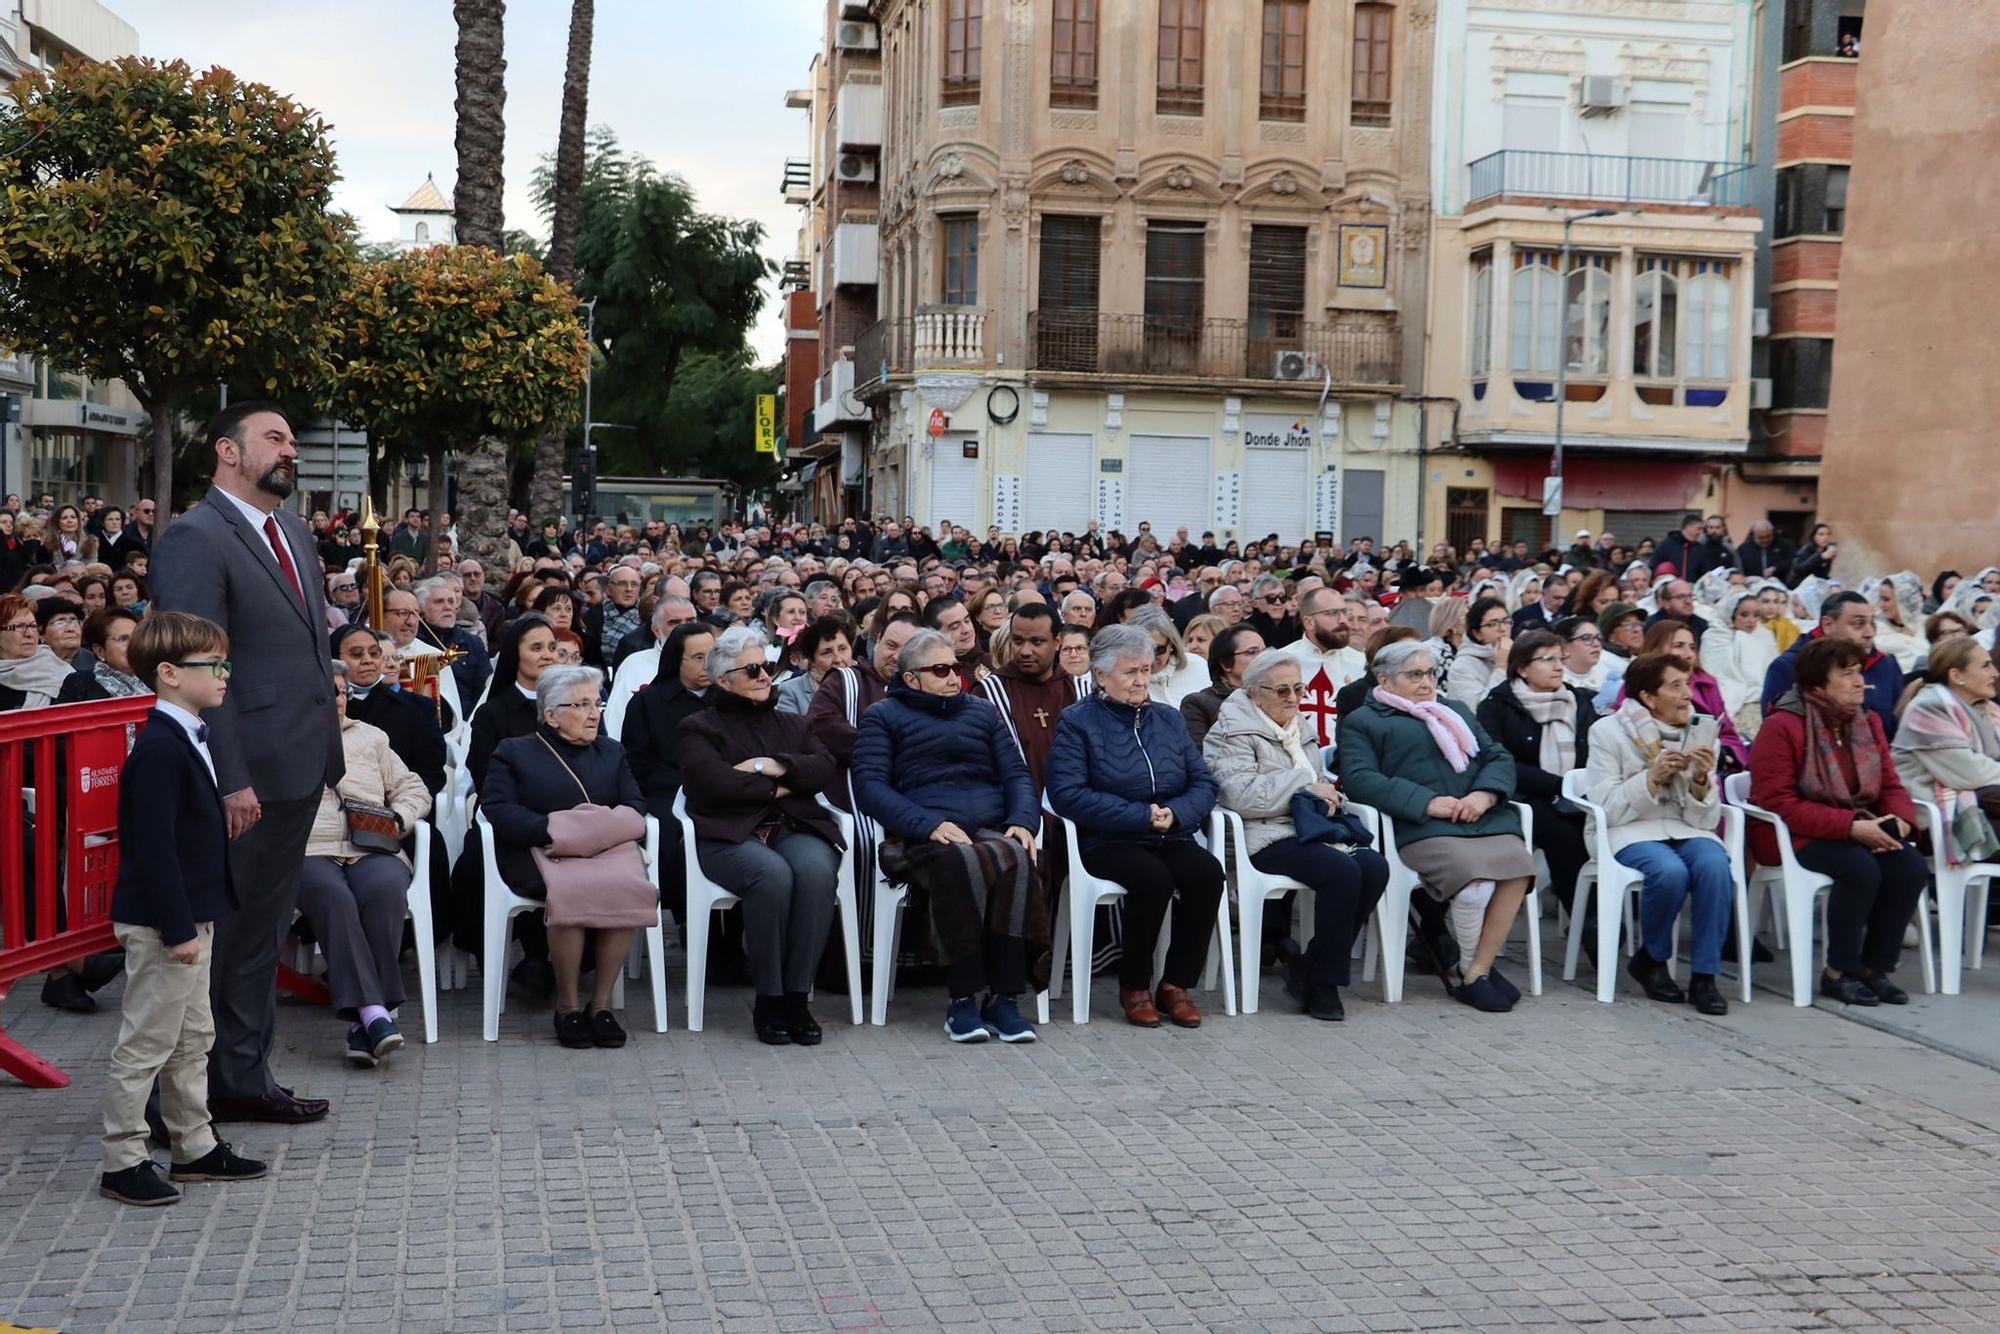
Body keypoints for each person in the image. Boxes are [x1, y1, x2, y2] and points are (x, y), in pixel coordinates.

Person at [150, 401, 343, 1126]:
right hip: (243, 775)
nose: (289, 449)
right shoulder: (196, 539)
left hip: (298, 763)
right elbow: (197, 663)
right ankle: (174, 1100)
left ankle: (241, 1077)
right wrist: (230, 776)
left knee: (260, 935)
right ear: (228, 452)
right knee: (219, 940)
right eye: (275, 438)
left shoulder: (292, 530)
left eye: (292, 439)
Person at [98, 612, 267, 1207]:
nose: (225, 675)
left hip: (193, 914)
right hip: (165, 921)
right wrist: (175, 929)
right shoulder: (160, 750)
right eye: (213, 666)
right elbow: (153, 850)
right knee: (148, 1040)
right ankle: (123, 1158)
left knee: (194, 1035)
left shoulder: (189, 734)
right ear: (168, 674)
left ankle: (193, 1144)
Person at [852, 629, 1045, 1043]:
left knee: (1015, 856)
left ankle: (1004, 998)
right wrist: (926, 824)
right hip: (921, 834)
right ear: (911, 679)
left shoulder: (983, 712)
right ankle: (962, 999)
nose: (953, 676)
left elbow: (1016, 774)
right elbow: (870, 786)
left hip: (988, 825)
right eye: (940, 670)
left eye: (956, 667)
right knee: (961, 861)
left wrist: (1025, 821)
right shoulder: (882, 716)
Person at [1337, 638, 1535, 1013]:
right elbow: (1360, 778)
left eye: (1430, 673)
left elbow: (1496, 756)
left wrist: (1485, 796)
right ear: (1384, 679)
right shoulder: (1364, 721)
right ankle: (1473, 970)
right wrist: (1427, 803)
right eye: (1415, 675)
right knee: (1473, 883)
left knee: (1518, 866)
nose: (1427, 683)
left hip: (1479, 817)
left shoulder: (1454, 709)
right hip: (1420, 826)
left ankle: (1476, 969)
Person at [1047, 624, 1225, 1029]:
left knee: (1206, 873)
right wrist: (1141, 815)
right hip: (1108, 838)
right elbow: (1068, 794)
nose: (1142, 680)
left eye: (1146, 669)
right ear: (1101, 674)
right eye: (1131, 672)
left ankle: (1176, 984)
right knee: (1153, 880)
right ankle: (1134, 986)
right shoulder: (1077, 723)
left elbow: (1203, 782)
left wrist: (1175, 813)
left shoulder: (1167, 718)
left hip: (1168, 831)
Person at [678, 627, 846, 1045]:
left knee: (816, 872)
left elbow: (824, 767)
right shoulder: (697, 728)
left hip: (793, 826)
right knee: (772, 876)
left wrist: (768, 765)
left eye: (767, 667)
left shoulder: (791, 722)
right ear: (722, 680)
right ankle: (769, 998)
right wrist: (783, 782)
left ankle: (797, 997)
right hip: (728, 836)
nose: (764, 676)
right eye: (752, 669)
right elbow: (714, 784)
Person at [1205, 649, 1388, 1021]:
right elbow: (1239, 796)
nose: (1293, 698)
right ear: (1255, 692)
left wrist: (1327, 792)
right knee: (1341, 872)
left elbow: (1317, 781)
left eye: (1298, 689)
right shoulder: (1230, 730)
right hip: (1261, 836)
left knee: (1374, 866)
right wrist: (1306, 784)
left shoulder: (1297, 725)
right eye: (1282, 690)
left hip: (1307, 828)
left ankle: (1309, 967)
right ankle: (1323, 983)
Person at [1751, 635, 1925, 1006]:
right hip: (1792, 834)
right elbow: (1779, 803)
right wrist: (1851, 828)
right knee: (1859, 868)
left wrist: (1902, 821)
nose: (1860, 681)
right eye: (1846, 674)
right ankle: (1837, 972)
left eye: (1859, 671)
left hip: (1856, 826)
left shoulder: (1867, 722)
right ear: (1817, 686)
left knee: (1908, 865)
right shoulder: (1783, 725)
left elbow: (1890, 785)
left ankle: (1871, 967)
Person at [482, 664, 650, 1048]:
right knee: (576, 889)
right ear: (551, 714)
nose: (593, 714)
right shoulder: (515, 751)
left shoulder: (611, 751)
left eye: (598, 704)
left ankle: (601, 1005)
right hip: (540, 852)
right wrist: (563, 833)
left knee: (626, 884)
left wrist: (594, 834)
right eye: (582, 705)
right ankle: (568, 1005)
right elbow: (500, 810)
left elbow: (635, 805)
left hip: (607, 853)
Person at [300, 660, 433, 1066]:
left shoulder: (372, 737)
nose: (337, 700)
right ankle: (376, 1012)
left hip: (372, 843)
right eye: (328, 692)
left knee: (385, 891)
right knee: (334, 898)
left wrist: (398, 819)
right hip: (311, 848)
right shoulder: (286, 739)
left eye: (342, 692)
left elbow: (414, 788)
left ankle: (364, 1024)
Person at [1585, 652, 1733, 1014]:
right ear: (1648, 697)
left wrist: (1700, 781)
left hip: (1684, 828)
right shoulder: (1607, 731)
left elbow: (1704, 821)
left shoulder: (1701, 731)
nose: (1688, 695)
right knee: (1669, 871)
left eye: (1689, 685)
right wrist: (1651, 778)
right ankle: (1652, 957)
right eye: (1676, 686)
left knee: (1715, 865)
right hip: (1628, 830)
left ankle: (1704, 975)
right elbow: (1607, 807)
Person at [1476, 631, 1596, 943]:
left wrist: (1577, 788)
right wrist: (1560, 785)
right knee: (1563, 835)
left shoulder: (1578, 702)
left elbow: (1596, 754)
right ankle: (1592, 927)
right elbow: (1500, 762)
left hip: (1579, 795)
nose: (1558, 667)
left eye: (1561, 659)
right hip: (1522, 798)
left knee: (1605, 828)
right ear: (1522, 668)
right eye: (1548, 660)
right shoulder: (1497, 706)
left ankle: (1610, 917)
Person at [1891, 638, 2000, 866]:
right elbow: (1971, 773)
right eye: (1985, 666)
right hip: (1936, 820)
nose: (1995, 673)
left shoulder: (1983, 708)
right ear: (1957, 676)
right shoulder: (1928, 708)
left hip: (1974, 806)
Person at [1761, 590, 1903, 741]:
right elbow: (1777, 735)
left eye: (1872, 623)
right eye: (1857, 624)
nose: (1869, 633)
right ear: (1827, 624)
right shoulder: (1789, 667)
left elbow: (1896, 732)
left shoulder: (1886, 665)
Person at [331, 625, 447, 797]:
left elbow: (431, 773)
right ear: (334, 659)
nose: (368, 660)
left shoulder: (414, 710)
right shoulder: (323, 711)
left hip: (398, 809)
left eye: (374, 653)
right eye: (356, 654)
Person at [1631, 619, 1750, 771]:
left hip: (1707, 769)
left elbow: (1727, 732)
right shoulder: (1636, 685)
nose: (1688, 654)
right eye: (1678, 646)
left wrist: (1723, 755)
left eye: (1692, 647)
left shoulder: (1707, 684)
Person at [1280, 587, 1365, 750]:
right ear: (1308, 622)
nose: (1343, 620)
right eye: (1333, 613)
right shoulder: (1281, 662)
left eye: (1345, 612)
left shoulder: (1361, 663)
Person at [1702, 589, 1777, 741]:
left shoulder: (1765, 636)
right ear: (1731, 614)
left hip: (1759, 701)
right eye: (1744, 615)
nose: (1751, 620)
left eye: (1756, 615)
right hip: (1727, 699)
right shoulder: (1715, 637)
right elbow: (1715, 672)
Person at [1180, 623, 1266, 748]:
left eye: (1264, 651)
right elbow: (1200, 756)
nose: (1263, 658)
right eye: (1251, 652)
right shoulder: (1197, 704)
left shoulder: (1276, 695)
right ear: (1226, 663)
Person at [774, 616, 854, 715]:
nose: (838, 659)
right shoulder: (791, 691)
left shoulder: (867, 682)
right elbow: (790, 729)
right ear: (811, 659)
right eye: (827, 653)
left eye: (842, 649)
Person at [1445, 596, 1511, 707]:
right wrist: (1501, 667)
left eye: (1506, 621)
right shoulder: (1462, 667)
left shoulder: (1517, 653)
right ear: (1477, 633)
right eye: (1492, 624)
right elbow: (1479, 709)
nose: (1503, 628)